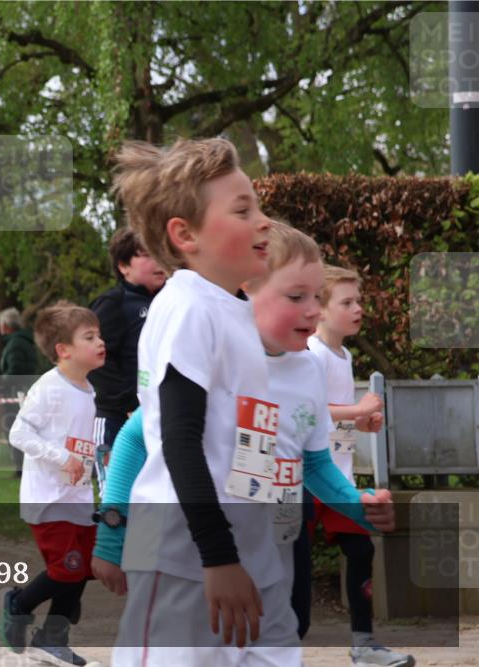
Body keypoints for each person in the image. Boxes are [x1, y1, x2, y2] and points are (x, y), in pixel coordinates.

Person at [93, 222, 397, 667]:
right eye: (296, 297)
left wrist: (356, 503)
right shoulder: (213, 351)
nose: (313, 311)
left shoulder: (308, 369)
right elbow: (140, 435)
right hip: (188, 555)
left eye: (318, 298)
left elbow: (312, 462)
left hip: (269, 554)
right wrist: (111, 531)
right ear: (246, 289)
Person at [109, 137, 284, 666]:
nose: (264, 222)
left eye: (258, 207)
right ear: (185, 234)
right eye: (242, 210)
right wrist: (219, 555)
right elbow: (179, 440)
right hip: (184, 559)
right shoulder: (186, 307)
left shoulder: (230, 310)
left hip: (238, 557)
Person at [306, 266, 412, 667]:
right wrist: (357, 409)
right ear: (320, 309)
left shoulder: (343, 353)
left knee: (361, 549)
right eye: (346, 302)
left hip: (339, 478)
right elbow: (311, 412)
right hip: (306, 478)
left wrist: (360, 420)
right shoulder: (312, 354)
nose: (358, 309)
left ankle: (364, 645)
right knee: (288, 564)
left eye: (359, 301)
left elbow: (334, 414)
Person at [0, 301, 105, 666]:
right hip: (47, 497)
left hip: (77, 497)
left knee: (83, 567)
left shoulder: (90, 390)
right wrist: (63, 459)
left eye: (99, 335)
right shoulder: (50, 387)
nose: (100, 342)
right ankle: (19, 603)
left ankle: (53, 639)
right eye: (89, 336)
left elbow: (83, 443)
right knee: (67, 569)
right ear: (64, 350)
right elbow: (18, 433)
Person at [87, 228, 166, 491]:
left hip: (161, 416)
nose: (158, 261)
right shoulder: (113, 303)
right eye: (147, 255)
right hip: (116, 419)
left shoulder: (173, 300)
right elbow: (97, 363)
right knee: (119, 499)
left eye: (161, 253)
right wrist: (130, 402)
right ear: (123, 266)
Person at [0, 307, 41, 479]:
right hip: (25, 390)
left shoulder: (15, 344)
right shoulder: (24, 342)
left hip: (16, 393)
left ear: (5, 326)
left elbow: (14, 371)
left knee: (14, 429)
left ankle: (21, 467)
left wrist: (0, 383)